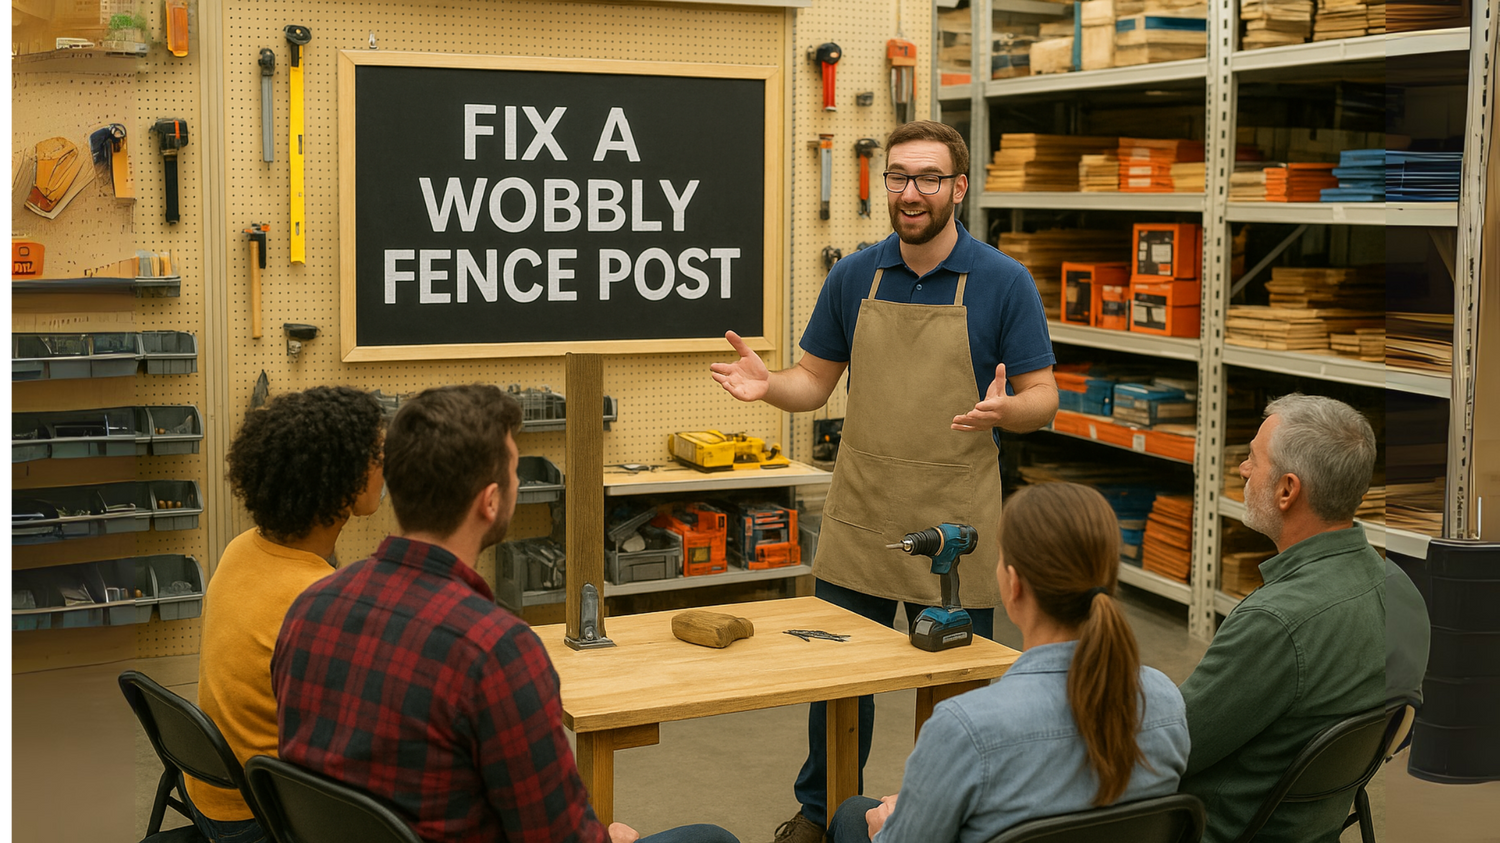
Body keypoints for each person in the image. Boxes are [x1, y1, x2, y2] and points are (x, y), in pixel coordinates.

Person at [710, 120, 1058, 843]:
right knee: (836, 686)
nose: (910, 192)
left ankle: (946, 817)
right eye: (899, 175)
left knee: (956, 696)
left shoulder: (1003, 281)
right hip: (864, 510)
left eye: (929, 178)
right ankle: (821, 814)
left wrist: (1009, 409)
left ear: (959, 188)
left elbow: (1044, 396)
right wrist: (768, 385)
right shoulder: (854, 275)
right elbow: (813, 381)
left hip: (957, 523)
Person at [271, 384, 737, 843]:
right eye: (514, 472)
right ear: (490, 501)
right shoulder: (495, 649)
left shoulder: (310, 607)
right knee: (713, 839)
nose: (517, 484)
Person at [826, 483, 1189, 843]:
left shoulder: (966, 728)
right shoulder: (1164, 700)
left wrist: (889, 826)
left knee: (856, 814)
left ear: (1013, 584)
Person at [1178, 393, 1387, 843]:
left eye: (1253, 459)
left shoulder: (1275, 624)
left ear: (1287, 490)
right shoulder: (1393, 586)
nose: (1243, 470)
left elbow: (1171, 748)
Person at [185, 386, 388, 843]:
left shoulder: (243, 547)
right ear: (342, 480)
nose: (384, 465)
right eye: (376, 454)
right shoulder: (318, 601)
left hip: (212, 789)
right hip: (261, 820)